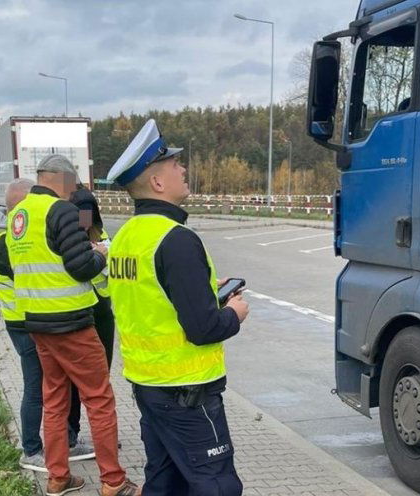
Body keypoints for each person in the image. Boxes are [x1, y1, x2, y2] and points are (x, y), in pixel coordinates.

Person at [106, 119, 250, 495]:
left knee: (164, 483)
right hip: (187, 393)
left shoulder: (125, 237)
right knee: (216, 485)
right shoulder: (177, 239)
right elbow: (203, 328)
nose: (182, 169)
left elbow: (150, 295)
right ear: (156, 182)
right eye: (174, 165)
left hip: (149, 386)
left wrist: (200, 290)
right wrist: (234, 314)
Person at [5, 155, 140, 496]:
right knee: (99, 398)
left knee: (54, 401)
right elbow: (81, 267)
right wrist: (101, 254)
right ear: (64, 180)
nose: (75, 191)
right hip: (72, 323)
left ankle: (58, 477)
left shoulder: (18, 215)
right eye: (75, 184)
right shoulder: (61, 211)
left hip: (36, 323)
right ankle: (112, 481)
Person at [0, 178, 92, 473]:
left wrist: (83, 212)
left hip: (34, 318)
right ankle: (31, 449)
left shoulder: (8, 237)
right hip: (25, 322)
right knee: (37, 387)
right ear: (19, 208)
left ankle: (67, 440)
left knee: (58, 383)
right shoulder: (4, 242)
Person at [70, 185, 115, 366]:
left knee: (103, 367)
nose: (85, 219)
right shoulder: (69, 235)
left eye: (88, 214)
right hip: (80, 314)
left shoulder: (101, 234)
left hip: (102, 311)